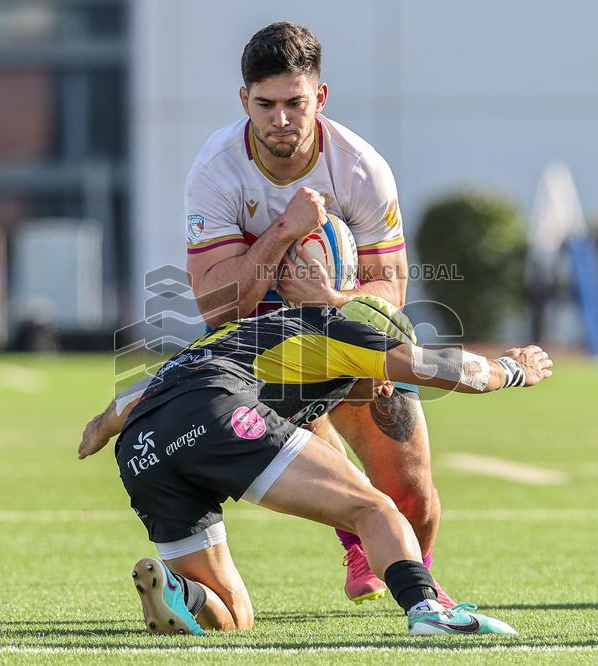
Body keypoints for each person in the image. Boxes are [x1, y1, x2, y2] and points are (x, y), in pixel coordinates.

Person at [78, 297, 554, 636]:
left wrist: (98, 429)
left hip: (140, 448)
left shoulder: (247, 332)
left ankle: (184, 593)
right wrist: (512, 370)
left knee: (235, 618)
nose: (387, 389)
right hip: (217, 410)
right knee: (374, 509)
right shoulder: (345, 332)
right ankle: (428, 609)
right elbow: (443, 369)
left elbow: (127, 403)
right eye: (387, 379)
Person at [184, 21, 448, 605]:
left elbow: (392, 293)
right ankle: (364, 541)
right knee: (342, 482)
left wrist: (329, 301)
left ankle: (418, 579)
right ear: (244, 100)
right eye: (266, 104)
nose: (281, 120)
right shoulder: (217, 170)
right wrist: (283, 232)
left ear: (319, 99)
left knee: (414, 493)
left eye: (295, 103)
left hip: (345, 326)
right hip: (255, 341)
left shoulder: (360, 169)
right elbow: (215, 301)